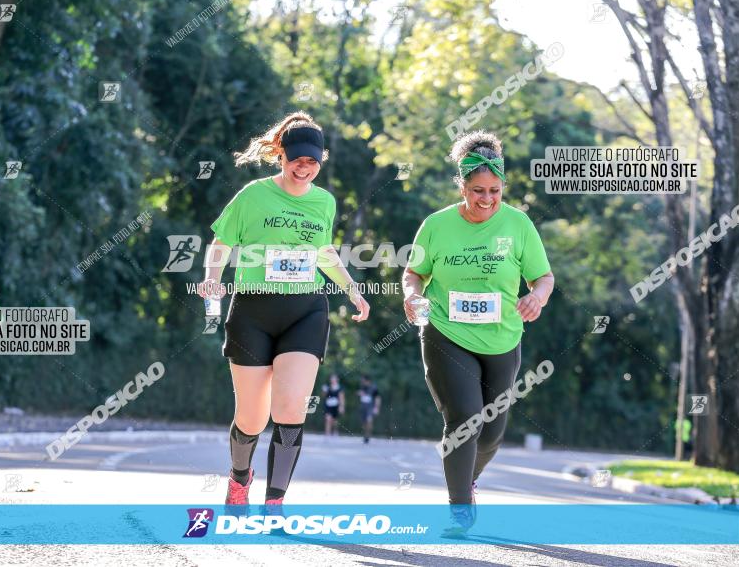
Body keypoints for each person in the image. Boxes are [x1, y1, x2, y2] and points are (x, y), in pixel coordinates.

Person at [197, 111, 370, 508]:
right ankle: (240, 479)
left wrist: (351, 289)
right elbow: (221, 242)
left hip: (305, 310)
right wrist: (213, 277)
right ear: (282, 156)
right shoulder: (253, 195)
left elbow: (324, 252)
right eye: (297, 161)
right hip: (253, 311)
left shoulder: (324, 202)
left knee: (291, 407)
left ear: (321, 161)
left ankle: (275, 501)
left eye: (313, 162)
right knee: (252, 418)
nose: (304, 169)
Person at [402, 131, 554, 536]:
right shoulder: (436, 225)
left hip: (503, 339)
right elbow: (414, 273)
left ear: (503, 187)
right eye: (477, 191)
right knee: (464, 420)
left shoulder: (518, 224)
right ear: (462, 186)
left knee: (491, 434)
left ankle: (469, 480)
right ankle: (458, 510)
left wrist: (536, 297)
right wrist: (412, 296)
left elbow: (543, 277)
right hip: (445, 333)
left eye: (495, 191)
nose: (486, 199)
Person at [357, 375, 381, 444]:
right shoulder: (362, 387)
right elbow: (360, 394)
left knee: (369, 420)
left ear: (367, 381)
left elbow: (378, 398)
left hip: (370, 407)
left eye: (363, 380)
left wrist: (377, 408)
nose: (362, 382)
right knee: (364, 423)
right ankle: (365, 434)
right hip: (363, 407)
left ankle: (368, 436)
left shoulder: (374, 388)